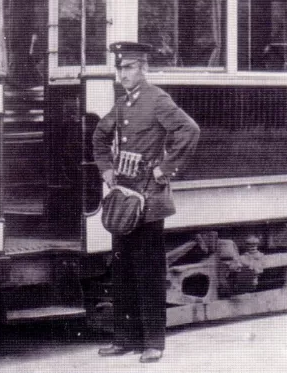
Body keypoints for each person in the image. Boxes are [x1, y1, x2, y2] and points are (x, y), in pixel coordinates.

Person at [92, 41, 200, 364]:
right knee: (123, 271)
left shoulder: (157, 100)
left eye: (128, 68)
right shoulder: (123, 104)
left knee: (149, 273)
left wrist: (163, 170)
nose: (122, 74)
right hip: (125, 199)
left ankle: (154, 342)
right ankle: (124, 339)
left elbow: (189, 131)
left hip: (149, 202)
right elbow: (99, 136)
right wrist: (107, 170)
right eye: (119, 68)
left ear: (143, 69)